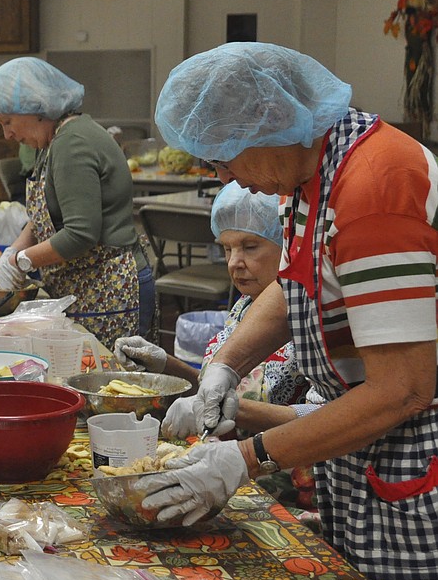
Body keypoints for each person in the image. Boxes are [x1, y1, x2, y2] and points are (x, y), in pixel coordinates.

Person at [139, 42, 438, 580]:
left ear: (271, 126)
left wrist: (243, 462)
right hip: (366, 443)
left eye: (224, 157)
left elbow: (402, 389)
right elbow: (299, 280)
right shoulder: (314, 172)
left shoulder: (375, 188)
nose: (223, 175)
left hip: (414, 452)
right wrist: (225, 363)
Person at [114, 181, 317, 515]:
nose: (234, 262)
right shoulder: (244, 307)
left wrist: (226, 410)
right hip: (221, 477)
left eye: (250, 246)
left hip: (283, 491)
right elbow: (217, 390)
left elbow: (324, 418)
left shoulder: (308, 317)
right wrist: (166, 365)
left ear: (287, 247)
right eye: (226, 248)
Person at [0, 57, 155, 348]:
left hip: (109, 289)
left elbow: (80, 234)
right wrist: (14, 249)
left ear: (34, 106)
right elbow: (44, 218)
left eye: (7, 121)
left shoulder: (72, 144)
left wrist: (22, 262)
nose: (7, 134)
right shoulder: (52, 140)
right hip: (86, 286)